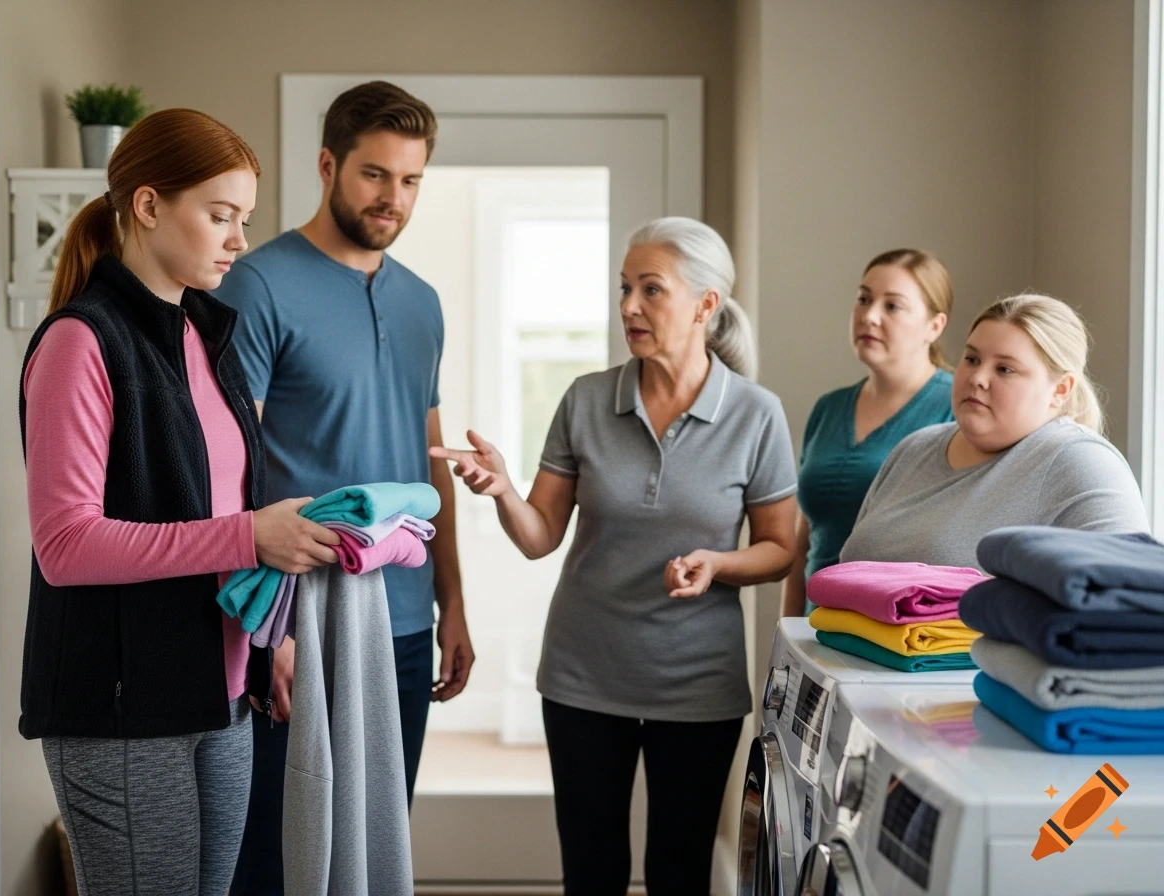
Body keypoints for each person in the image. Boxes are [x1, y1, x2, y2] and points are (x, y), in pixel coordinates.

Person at [19, 109, 341, 896]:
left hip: (225, 693)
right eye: (220, 215)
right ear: (149, 205)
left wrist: (273, 639)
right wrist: (249, 538)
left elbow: (228, 504)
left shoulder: (208, 335)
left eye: (245, 220)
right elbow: (66, 546)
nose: (238, 240)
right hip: (123, 710)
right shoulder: (79, 343)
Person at [431, 217, 798, 895]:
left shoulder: (755, 414)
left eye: (650, 290)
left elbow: (779, 547)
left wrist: (718, 564)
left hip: (696, 686)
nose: (628, 305)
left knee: (678, 873)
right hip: (582, 677)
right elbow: (540, 534)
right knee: (591, 873)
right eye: (625, 288)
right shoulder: (587, 401)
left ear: (705, 305)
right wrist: (505, 490)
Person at [215, 81, 474, 894]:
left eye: (410, 180)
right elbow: (232, 469)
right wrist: (268, 633)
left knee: (374, 847)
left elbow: (430, 462)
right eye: (373, 174)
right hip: (298, 621)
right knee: (279, 856)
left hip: (400, 619)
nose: (392, 198)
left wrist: (452, 600)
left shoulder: (423, 304)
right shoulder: (256, 286)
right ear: (328, 165)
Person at [840, 293, 1150, 569]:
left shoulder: (1082, 462)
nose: (977, 378)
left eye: (1005, 369)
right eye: (972, 359)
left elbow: (1124, 601)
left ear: (1061, 389)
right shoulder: (914, 449)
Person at [782, 249, 955, 617]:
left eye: (892, 306)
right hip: (818, 632)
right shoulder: (829, 408)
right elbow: (804, 544)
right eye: (863, 299)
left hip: (894, 640)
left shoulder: (955, 408)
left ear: (934, 326)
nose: (869, 316)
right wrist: (788, 641)